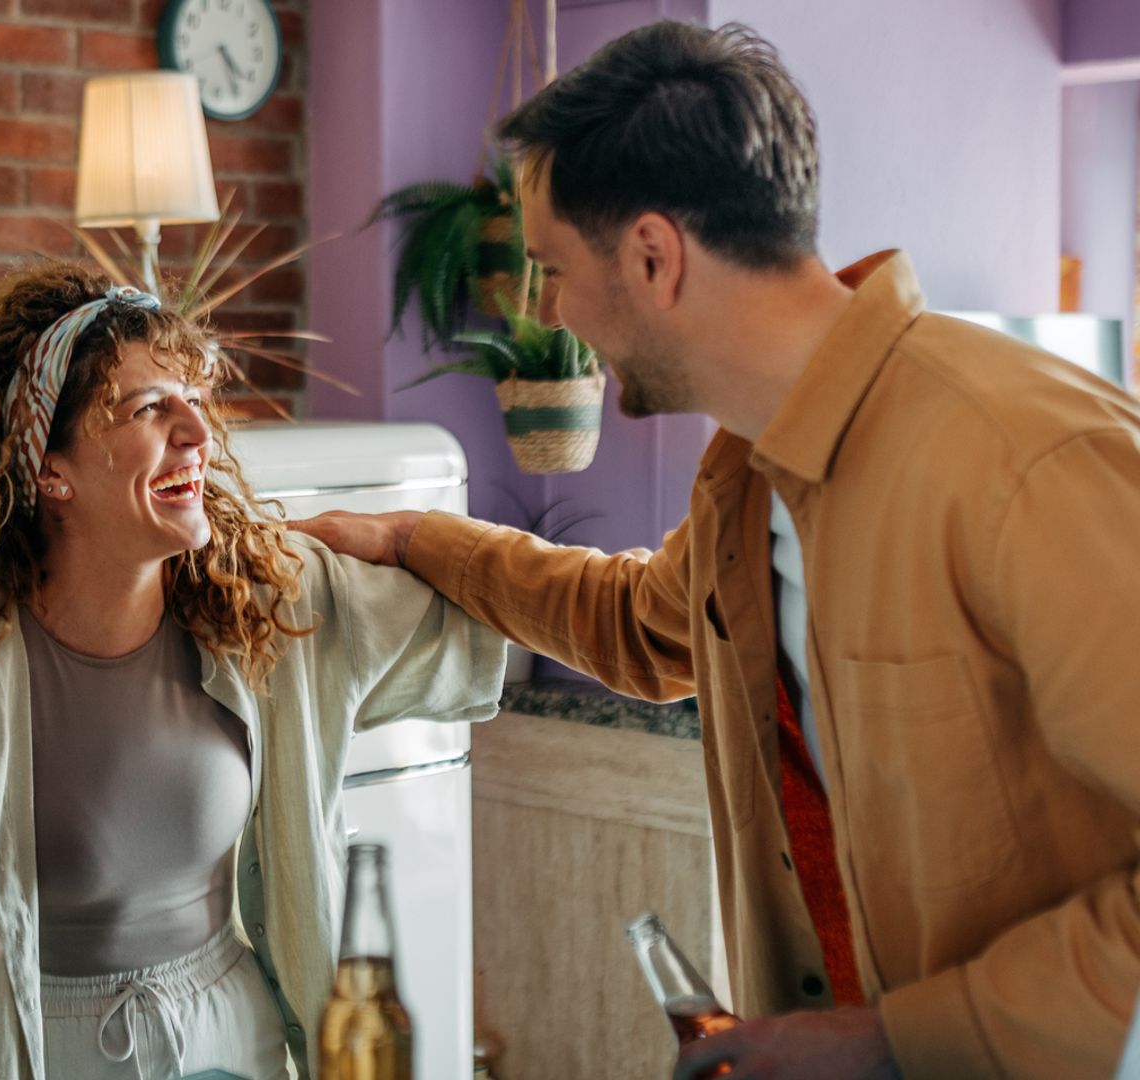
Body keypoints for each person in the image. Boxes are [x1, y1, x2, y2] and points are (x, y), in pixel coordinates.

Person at [300, 20, 1140, 1080]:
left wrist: (895, 1043)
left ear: (653, 257)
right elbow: (643, 626)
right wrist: (409, 537)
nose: (550, 310)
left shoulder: (1026, 462)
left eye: (553, 269)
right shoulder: (750, 475)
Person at [0, 262, 509, 1079]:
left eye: (194, 403)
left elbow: (507, 621)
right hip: (33, 1046)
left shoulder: (272, 609)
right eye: (148, 409)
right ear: (47, 469)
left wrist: (408, 536)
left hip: (229, 1041)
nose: (198, 435)